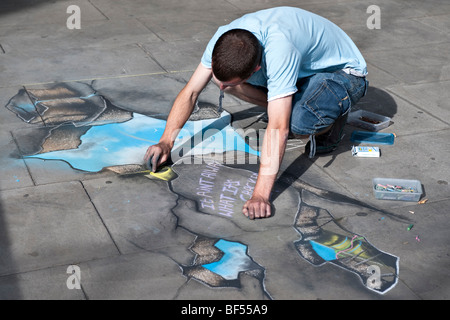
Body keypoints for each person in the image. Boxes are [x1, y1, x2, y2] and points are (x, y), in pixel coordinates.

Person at [144, 6, 368, 220]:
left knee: (297, 124)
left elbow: (278, 129)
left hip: (342, 74)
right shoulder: (223, 39)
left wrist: (260, 195)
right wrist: (166, 142)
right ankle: (292, 102)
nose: (220, 89)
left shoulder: (280, 51)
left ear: (255, 70)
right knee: (229, 83)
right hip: (303, 70)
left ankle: (329, 121)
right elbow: (191, 92)